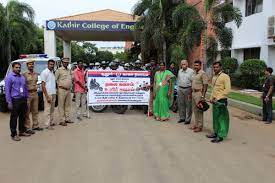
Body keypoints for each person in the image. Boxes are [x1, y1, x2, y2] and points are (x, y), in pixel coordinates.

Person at [207, 61, 231, 143]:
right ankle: (215, 132)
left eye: (217, 67)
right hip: (214, 101)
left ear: (221, 67)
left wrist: (217, 98)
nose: (215, 69)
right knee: (215, 118)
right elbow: (213, 89)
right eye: (214, 67)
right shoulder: (214, 77)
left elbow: (227, 90)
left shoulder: (225, 76)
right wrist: (211, 98)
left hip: (221, 100)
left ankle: (220, 136)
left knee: (221, 118)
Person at [5, 62, 30, 141]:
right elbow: (7, 91)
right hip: (15, 100)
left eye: (19, 67)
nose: (18, 69)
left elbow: (25, 88)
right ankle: (13, 134)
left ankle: (22, 131)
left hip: (23, 99)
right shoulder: (9, 77)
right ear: (13, 68)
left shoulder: (22, 77)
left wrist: (27, 97)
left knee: (23, 116)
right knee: (14, 118)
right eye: (16, 67)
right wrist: (9, 102)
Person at [23, 59, 43, 135]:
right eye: (29, 64)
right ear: (27, 66)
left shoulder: (36, 74)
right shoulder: (24, 74)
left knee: (35, 110)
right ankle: (27, 128)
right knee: (27, 112)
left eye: (32, 64)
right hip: (28, 94)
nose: (31, 65)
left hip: (35, 93)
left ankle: (35, 125)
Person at [190, 60, 208, 132]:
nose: (195, 67)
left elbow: (205, 85)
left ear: (200, 66)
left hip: (199, 93)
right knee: (194, 109)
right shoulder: (194, 73)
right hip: (193, 93)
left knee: (199, 110)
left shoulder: (203, 73)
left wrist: (203, 96)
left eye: (197, 65)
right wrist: (190, 93)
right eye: (195, 65)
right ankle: (196, 124)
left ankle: (200, 126)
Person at [55, 58, 74, 126]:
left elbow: (72, 78)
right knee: (61, 105)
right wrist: (57, 90)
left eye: (67, 62)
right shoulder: (59, 70)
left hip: (68, 90)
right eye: (65, 62)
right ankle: (62, 120)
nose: (66, 63)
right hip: (61, 90)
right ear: (62, 63)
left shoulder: (69, 70)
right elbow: (55, 80)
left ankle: (67, 118)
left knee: (67, 105)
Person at [41, 59, 57, 130]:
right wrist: (47, 96)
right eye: (50, 64)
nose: (52, 65)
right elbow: (43, 85)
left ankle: (51, 122)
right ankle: (47, 125)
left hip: (53, 93)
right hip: (48, 94)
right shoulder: (44, 72)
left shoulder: (52, 72)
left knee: (52, 109)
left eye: (53, 64)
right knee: (47, 109)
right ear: (47, 64)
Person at [177, 60, 194, 124]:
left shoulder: (191, 71)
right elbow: (178, 79)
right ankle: (182, 118)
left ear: (187, 64)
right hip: (180, 89)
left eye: (184, 64)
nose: (183, 65)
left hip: (188, 89)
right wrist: (178, 88)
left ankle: (188, 119)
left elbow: (193, 81)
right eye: (182, 64)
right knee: (181, 104)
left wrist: (191, 91)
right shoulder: (179, 71)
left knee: (188, 104)